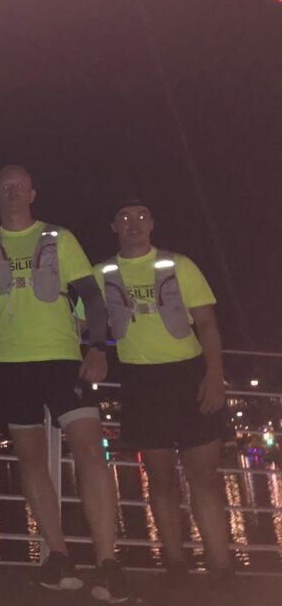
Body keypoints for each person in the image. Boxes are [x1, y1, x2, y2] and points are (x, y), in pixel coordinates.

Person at [0, 165, 130, 603]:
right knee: (30, 459)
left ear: (33, 192)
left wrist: (98, 347)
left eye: (19, 186)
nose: (12, 192)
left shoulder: (59, 238)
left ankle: (108, 561)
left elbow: (92, 297)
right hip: (11, 364)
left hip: (61, 360)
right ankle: (58, 557)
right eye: (4, 187)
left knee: (91, 452)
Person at [90, 200, 232, 589]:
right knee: (161, 479)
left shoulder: (180, 265)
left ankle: (221, 567)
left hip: (188, 377)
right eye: (124, 218)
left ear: (152, 223)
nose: (133, 224)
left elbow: (207, 323)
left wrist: (214, 375)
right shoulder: (100, 273)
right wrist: (95, 350)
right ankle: (175, 565)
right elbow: (85, 323)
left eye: (140, 217)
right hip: (139, 383)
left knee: (204, 479)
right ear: (113, 226)